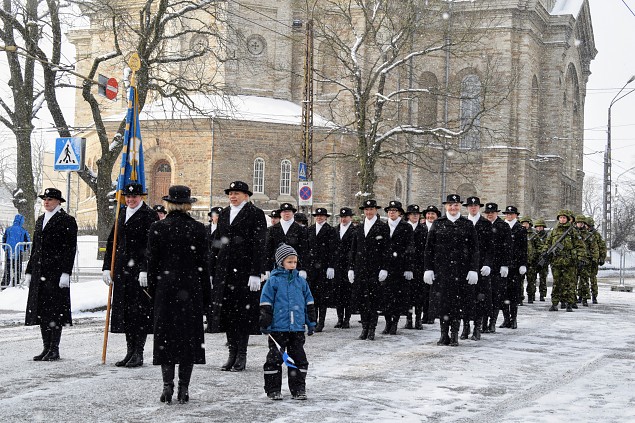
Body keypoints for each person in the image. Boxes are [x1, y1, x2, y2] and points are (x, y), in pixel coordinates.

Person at [147, 185, 210, 405]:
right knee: (187, 340)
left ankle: (167, 386)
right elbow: (204, 265)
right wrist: (205, 297)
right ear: (187, 205)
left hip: (166, 290)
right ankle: (184, 388)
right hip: (190, 291)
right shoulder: (199, 229)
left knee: (166, 339)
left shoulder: (157, 228)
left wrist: (154, 291)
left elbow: (152, 264)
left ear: (169, 203)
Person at [209, 181, 267, 372]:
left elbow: (259, 244)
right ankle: (231, 353)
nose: (233, 196)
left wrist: (256, 272)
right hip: (224, 270)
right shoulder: (225, 213)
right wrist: (212, 268)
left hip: (244, 271)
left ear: (246, 196)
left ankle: (241, 354)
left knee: (241, 315)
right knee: (227, 314)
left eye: (236, 193)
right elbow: (217, 241)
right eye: (230, 193)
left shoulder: (255, 214)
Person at [102, 183, 158, 368]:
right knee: (126, 312)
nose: (130, 200)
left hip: (138, 272)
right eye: (127, 197)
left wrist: (145, 268)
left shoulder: (149, 215)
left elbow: (151, 246)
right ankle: (129, 351)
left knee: (138, 313)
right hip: (122, 271)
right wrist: (106, 267)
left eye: (134, 197)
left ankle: (138, 353)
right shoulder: (122, 212)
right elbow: (113, 241)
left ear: (141, 197)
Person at [24, 188, 78, 361]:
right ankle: (46, 347)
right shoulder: (40, 220)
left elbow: (70, 249)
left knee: (54, 312)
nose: (46, 202)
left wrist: (65, 272)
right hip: (40, 272)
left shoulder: (66, 220)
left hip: (55, 273)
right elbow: (36, 248)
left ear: (58, 202)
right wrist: (29, 271)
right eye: (45, 199)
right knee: (42, 311)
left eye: (50, 199)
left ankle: (54, 348)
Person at [260, 243, 316, 401]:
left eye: (295, 262)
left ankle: (298, 389)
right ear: (281, 262)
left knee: (299, 360)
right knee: (274, 360)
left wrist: (311, 322)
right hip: (278, 329)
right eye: (289, 261)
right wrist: (265, 322)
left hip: (297, 328)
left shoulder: (301, 282)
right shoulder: (273, 282)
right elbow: (266, 303)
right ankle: (273, 390)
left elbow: (309, 303)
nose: (293, 265)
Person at [424, 194, 479, 346]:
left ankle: (454, 334)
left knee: (458, 303)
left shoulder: (467, 224)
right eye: (450, 205)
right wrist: (428, 268)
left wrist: (473, 269)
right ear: (446, 207)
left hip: (461, 271)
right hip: (442, 271)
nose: (453, 208)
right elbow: (429, 249)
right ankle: (443, 334)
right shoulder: (438, 224)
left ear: (460, 206)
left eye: (456, 205)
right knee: (443, 304)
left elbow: (474, 249)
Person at [348, 199, 390, 341]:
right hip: (360, 269)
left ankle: (372, 328)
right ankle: (364, 327)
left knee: (373, 300)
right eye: (366, 210)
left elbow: (386, 250)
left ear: (376, 210)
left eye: (371, 209)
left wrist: (384, 267)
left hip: (375, 269)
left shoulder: (382, 227)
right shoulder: (358, 228)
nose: (368, 212)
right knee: (361, 300)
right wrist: (351, 268)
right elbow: (353, 249)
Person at [462, 196, 493, 341]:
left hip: (481, 267)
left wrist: (487, 263)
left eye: (475, 206)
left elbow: (490, 248)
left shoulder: (486, 224)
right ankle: (465, 326)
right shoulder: (462, 223)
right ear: (467, 208)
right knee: (465, 298)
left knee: (480, 298)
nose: (473, 208)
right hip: (464, 266)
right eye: (470, 206)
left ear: (479, 207)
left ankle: (477, 327)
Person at [381, 200, 413, 335]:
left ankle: (394, 322)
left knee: (396, 296)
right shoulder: (383, 226)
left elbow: (410, 248)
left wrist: (408, 267)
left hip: (399, 267)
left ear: (400, 213)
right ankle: (387, 322)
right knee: (385, 297)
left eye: (394, 210)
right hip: (384, 267)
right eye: (389, 211)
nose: (391, 213)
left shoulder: (406, 227)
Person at [545, 210, 585, 312]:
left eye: (564, 218)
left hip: (569, 262)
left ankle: (569, 304)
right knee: (556, 283)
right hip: (556, 262)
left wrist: (580, 259)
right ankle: (554, 303)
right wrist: (544, 253)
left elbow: (580, 246)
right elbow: (548, 244)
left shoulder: (572, 231)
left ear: (567, 219)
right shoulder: (554, 231)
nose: (562, 219)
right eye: (560, 217)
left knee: (569, 284)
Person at [482, 203, 511, 333]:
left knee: (496, 295)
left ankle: (492, 322)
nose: (490, 214)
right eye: (488, 212)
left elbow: (508, 247)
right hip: (484, 265)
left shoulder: (503, 226)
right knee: (483, 296)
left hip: (498, 266)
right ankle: (483, 323)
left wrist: (505, 264)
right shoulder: (482, 225)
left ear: (496, 213)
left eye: (492, 212)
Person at [307, 208, 336, 332]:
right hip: (311, 268)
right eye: (317, 216)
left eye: (321, 216)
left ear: (326, 217)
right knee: (311, 296)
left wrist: (331, 266)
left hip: (324, 267)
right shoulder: (310, 229)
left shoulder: (330, 230)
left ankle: (322, 321)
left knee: (322, 297)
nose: (319, 218)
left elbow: (333, 250)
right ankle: (313, 320)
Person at [265, 203, 309, 280]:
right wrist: (266, 268)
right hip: (277, 266)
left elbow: (304, 249)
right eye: (284, 211)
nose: (286, 213)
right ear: (281, 213)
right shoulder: (273, 229)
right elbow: (268, 249)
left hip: (295, 266)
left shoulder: (300, 229)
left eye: (289, 211)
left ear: (293, 213)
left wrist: (303, 268)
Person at [500, 206, 527, 329]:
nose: (509, 216)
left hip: (515, 265)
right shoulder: (501, 226)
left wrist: (523, 264)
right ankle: (506, 319)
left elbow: (524, 248)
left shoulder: (520, 229)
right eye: (507, 214)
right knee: (503, 293)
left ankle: (513, 319)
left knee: (514, 294)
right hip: (503, 265)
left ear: (516, 215)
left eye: (511, 214)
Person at [403, 204, 425, 330]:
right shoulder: (405, 228)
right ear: (408, 216)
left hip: (419, 266)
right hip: (406, 265)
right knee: (408, 295)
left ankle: (418, 319)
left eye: (417, 214)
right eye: (413, 214)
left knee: (419, 295)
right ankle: (409, 319)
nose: (415, 216)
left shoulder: (423, 229)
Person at [333, 207, 355, 329]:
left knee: (348, 293)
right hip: (338, 266)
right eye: (341, 217)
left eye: (345, 217)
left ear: (350, 218)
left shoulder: (354, 230)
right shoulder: (336, 230)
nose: (343, 219)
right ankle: (340, 318)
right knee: (338, 294)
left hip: (348, 265)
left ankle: (347, 319)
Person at [204, 206, 223, 333]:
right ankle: (209, 322)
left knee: (217, 296)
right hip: (206, 264)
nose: (217, 217)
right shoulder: (206, 229)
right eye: (216, 215)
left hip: (218, 266)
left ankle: (216, 323)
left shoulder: (223, 231)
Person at [422, 205, 441, 324]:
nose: (430, 216)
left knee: (435, 291)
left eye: (433, 214)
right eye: (428, 214)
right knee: (424, 292)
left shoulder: (440, 227)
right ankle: (425, 314)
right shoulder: (421, 228)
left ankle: (433, 314)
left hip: (437, 264)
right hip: (423, 264)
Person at [1, 214, 31, 287]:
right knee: (18, 268)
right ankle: (16, 284)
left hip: (9, 251)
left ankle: (4, 284)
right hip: (18, 251)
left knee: (7, 268)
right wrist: (24, 249)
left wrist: (5, 248)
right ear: (21, 221)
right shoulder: (23, 230)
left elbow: (4, 240)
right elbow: (27, 242)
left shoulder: (8, 229)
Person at [575, 215, 597, 307]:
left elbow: (594, 248)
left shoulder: (588, 235)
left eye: (581, 223)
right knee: (573, 281)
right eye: (578, 222)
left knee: (584, 281)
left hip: (585, 261)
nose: (580, 224)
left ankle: (584, 298)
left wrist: (594, 259)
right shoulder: (572, 234)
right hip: (574, 260)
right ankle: (573, 298)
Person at [519, 216, 539, 304]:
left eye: (526, 223)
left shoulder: (534, 234)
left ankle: (530, 295)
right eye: (523, 223)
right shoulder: (518, 233)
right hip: (521, 261)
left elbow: (540, 247)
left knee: (531, 280)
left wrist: (537, 256)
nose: (525, 225)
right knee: (519, 281)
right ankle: (520, 297)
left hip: (531, 262)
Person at [586, 217, 606, 304]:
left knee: (592, 278)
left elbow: (602, 247)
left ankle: (594, 296)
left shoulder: (596, 235)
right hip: (585, 259)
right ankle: (583, 296)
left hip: (593, 259)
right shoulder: (583, 234)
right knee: (584, 279)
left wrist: (602, 258)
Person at [533, 219, 550, 301]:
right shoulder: (533, 236)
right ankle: (532, 294)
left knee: (543, 278)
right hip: (534, 260)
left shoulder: (547, 237)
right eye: (537, 227)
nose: (539, 228)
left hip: (544, 260)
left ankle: (542, 295)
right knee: (532, 278)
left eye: (541, 227)